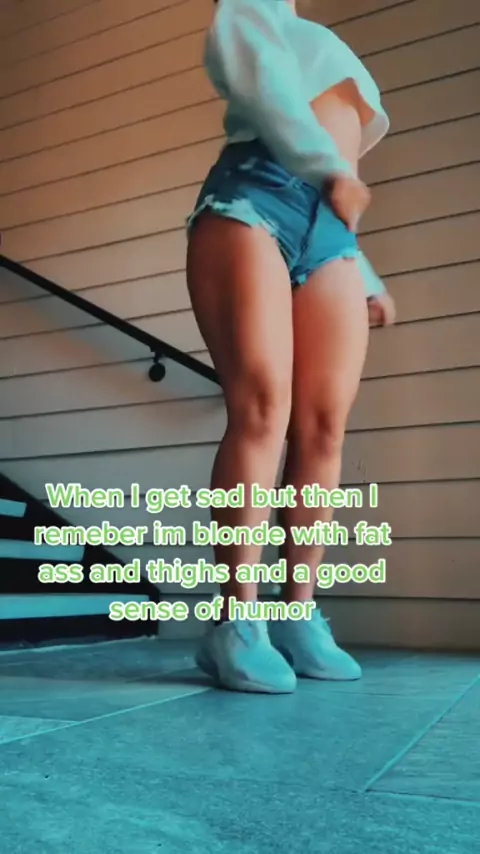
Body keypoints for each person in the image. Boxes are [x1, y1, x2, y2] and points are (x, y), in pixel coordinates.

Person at [185, 0, 395, 694]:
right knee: (262, 408)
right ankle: (235, 622)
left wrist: (364, 273)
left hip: (329, 225)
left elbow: (339, 174)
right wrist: (327, 168)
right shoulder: (252, 8)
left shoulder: (313, 33)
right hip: (256, 194)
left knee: (324, 427)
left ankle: (298, 613)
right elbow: (263, 88)